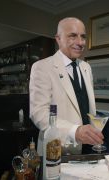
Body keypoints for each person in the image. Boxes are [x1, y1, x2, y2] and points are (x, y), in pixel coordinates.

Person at [29, 17, 103, 154]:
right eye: (73, 36)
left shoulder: (86, 67)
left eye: (83, 37)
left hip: (88, 147)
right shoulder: (42, 67)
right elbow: (39, 113)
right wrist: (74, 132)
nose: (80, 42)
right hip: (58, 149)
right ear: (58, 39)